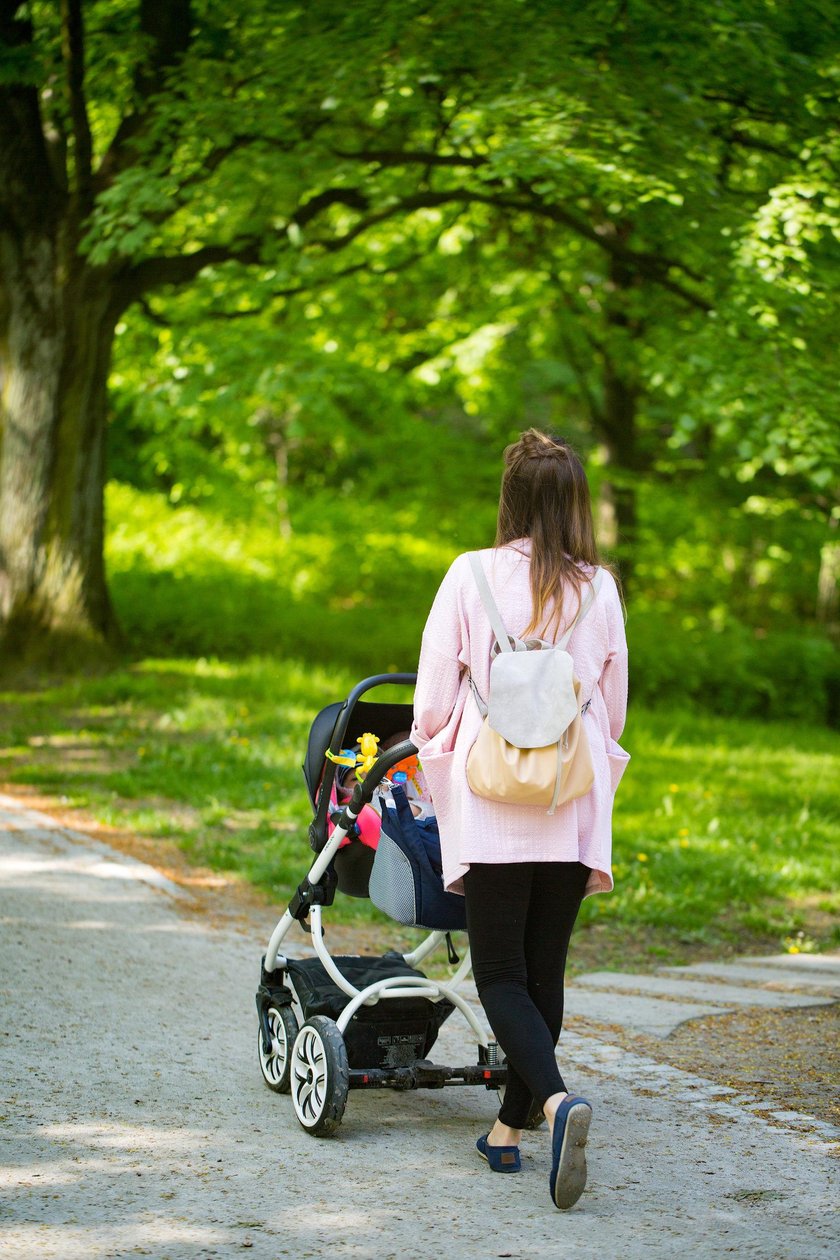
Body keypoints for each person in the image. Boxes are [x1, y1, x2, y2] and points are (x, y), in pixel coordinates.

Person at [409, 428, 629, 1211]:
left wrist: (433, 758)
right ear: (573, 505)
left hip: (493, 796)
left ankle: (554, 1104)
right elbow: (616, 704)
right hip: (572, 799)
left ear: (509, 499)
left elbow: (432, 699)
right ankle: (507, 1130)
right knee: (545, 974)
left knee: (501, 975)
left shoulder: (469, 576)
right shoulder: (599, 589)